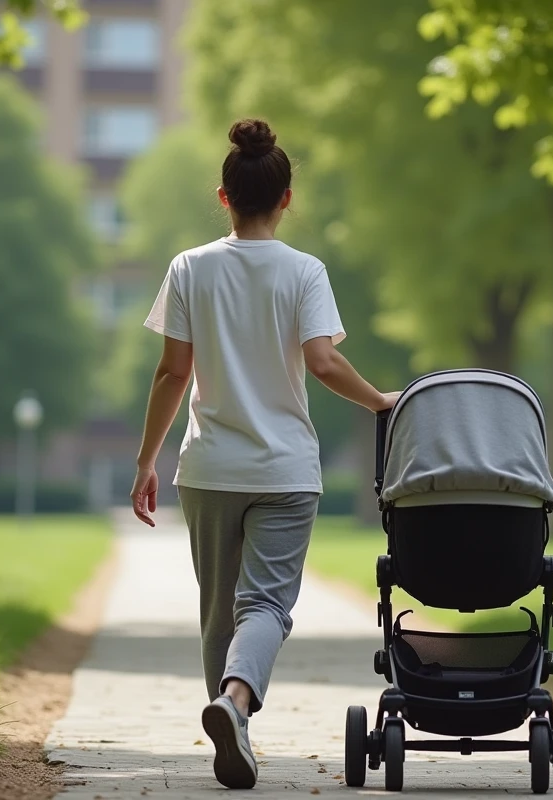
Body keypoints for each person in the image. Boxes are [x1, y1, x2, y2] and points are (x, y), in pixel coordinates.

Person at [131, 119, 399, 790]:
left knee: (219, 612)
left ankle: (232, 719)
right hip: (285, 472)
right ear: (286, 199)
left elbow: (173, 373)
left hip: (209, 469)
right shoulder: (305, 271)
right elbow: (324, 362)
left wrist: (146, 462)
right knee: (266, 608)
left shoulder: (189, 267)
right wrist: (380, 403)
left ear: (224, 197)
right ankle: (235, 704)